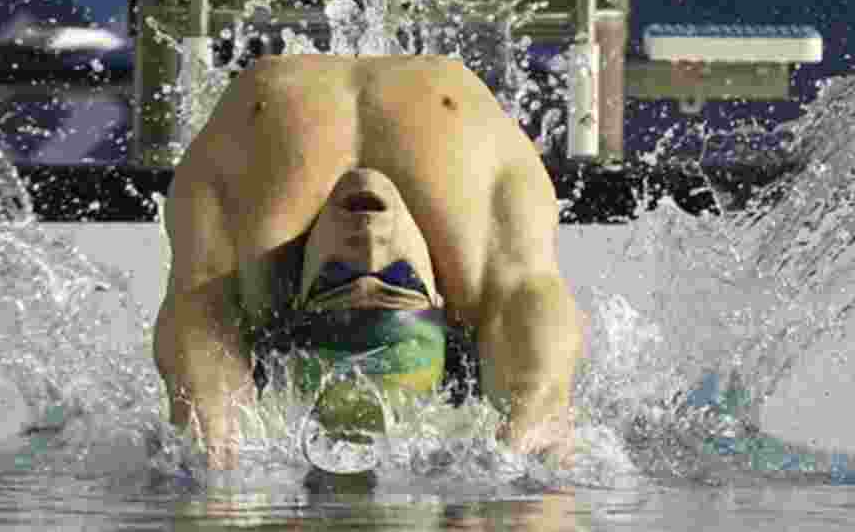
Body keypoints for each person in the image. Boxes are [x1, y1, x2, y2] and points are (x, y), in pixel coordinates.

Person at [153, 54, 584, 469]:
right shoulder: (473, 274)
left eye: (337, 276)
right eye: (399, 276)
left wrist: (209, 420)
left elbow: (201, 312)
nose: (370, 244)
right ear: (439, 297)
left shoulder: (255, 266)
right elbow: (529, 294)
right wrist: (539, 400)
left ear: (298, 293)